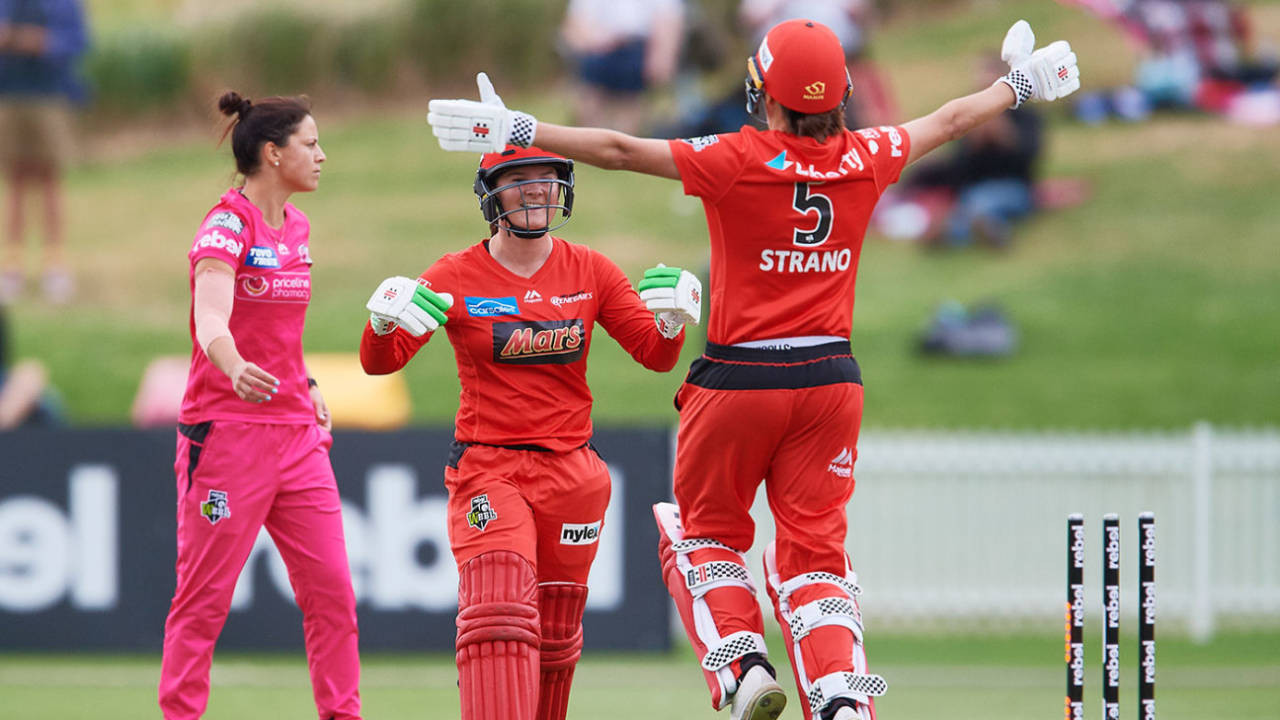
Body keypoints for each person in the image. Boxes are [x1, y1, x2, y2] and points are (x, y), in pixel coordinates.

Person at [428, 16, 1078, 720]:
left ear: (766, 95)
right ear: (842, 95)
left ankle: (741, 667)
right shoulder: (868, 153)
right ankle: (837, 699)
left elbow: (617, 148)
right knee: (816, 559)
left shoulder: (735, 156)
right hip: (832, 382)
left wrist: (522, 130)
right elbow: (952, 119)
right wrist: (1017, 85)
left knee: (704, 534)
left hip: (739, 379)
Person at [358, 144, 701, 720]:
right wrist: (381, 324)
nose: (536, 190)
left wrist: (670, 323)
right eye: (519, 180)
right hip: (489, 468)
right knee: (497, 612)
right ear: (491, 194)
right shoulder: (455, 274)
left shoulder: (590, 269)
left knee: (556, 634)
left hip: (574, 475)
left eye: (547, 179)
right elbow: (381, 363)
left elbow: (655, 355)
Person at [159, 91, 362, 720]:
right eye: (310, 144)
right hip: (227, 437)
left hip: (297, 436)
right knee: (204, 601)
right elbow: (211, 317)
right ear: (273, 154)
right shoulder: (225, 225)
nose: (322, 156)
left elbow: (281, 336)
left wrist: (308, 385)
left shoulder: (297, 227)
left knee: (333, 596)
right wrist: (232, 363)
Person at [0, 0, 88, 304]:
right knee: (15, 180)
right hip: (8, 95)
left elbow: (78, 40)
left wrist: (39, 42)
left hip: (51, 96)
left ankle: (55, 264)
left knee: (49, 179)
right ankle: (11, 265)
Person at [559, 0, 684, 134]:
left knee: (629, 107)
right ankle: (593, 145)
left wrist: (663, 57)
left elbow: (669, 19)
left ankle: (620, 145)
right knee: (590, 105)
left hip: (638, 48)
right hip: (597, 48)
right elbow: (576, 22)